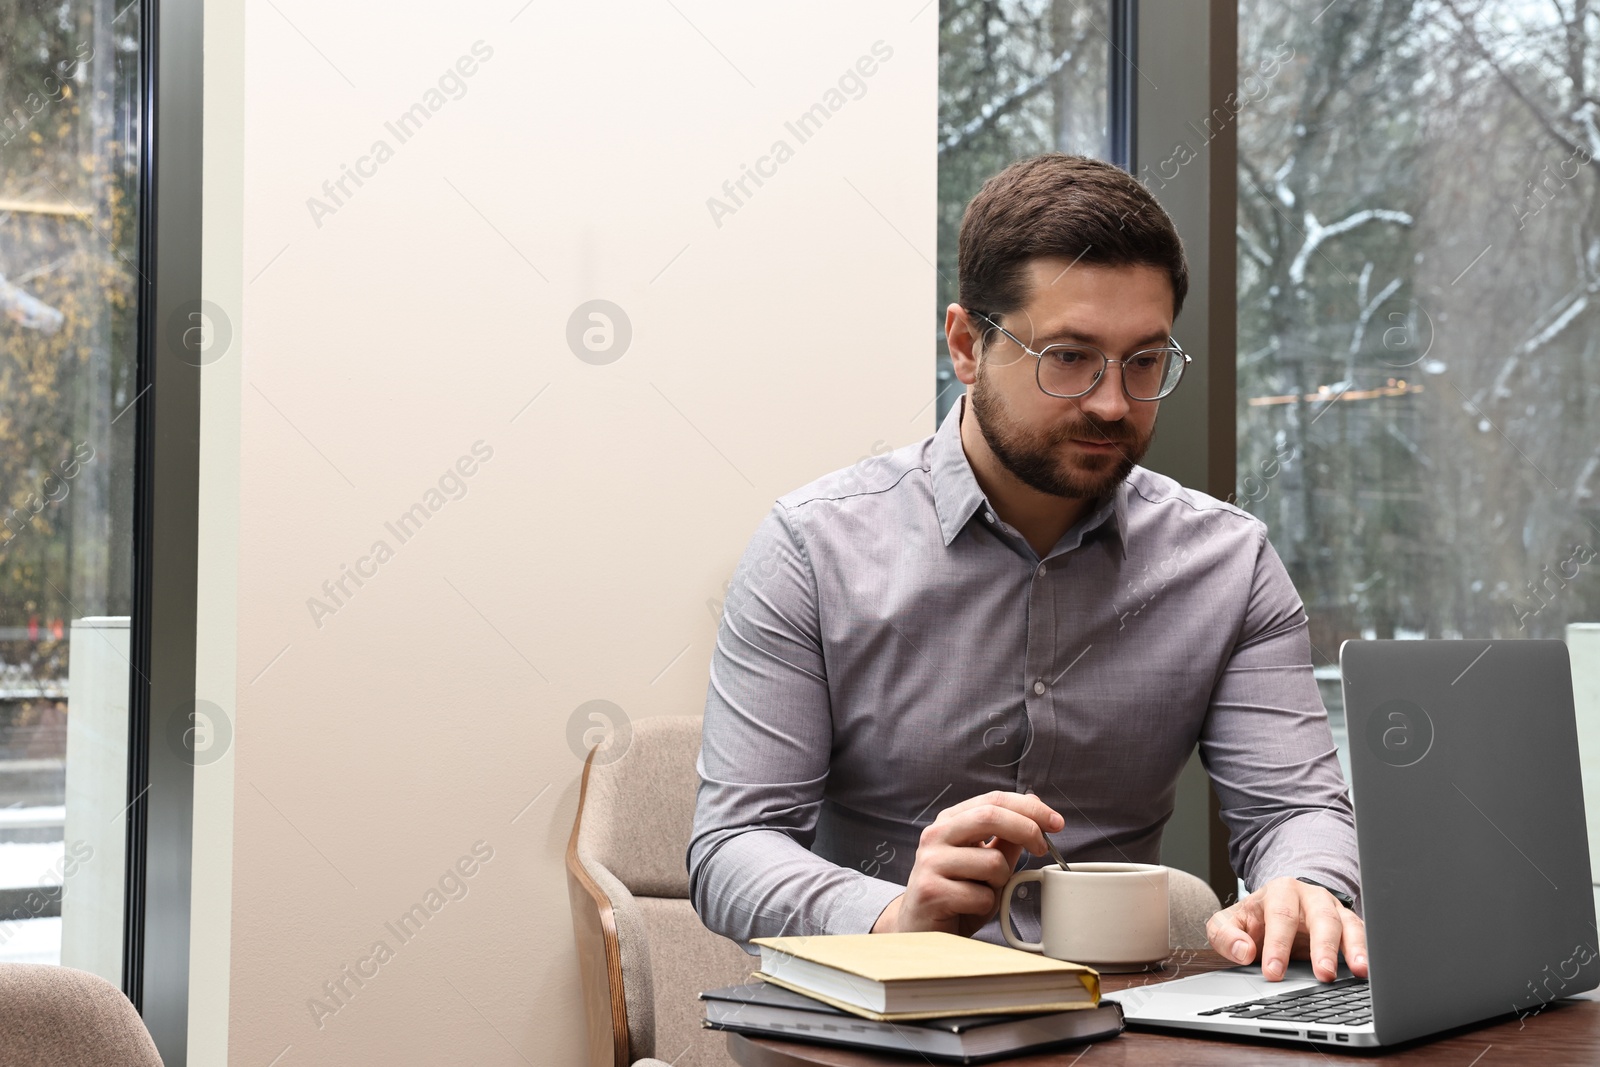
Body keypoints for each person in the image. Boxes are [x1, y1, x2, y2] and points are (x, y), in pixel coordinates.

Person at [687, 153, 1365, 984]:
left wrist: (1306, 883)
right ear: (968, 344)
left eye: (1145, 361)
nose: (1113, 403)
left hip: (1122, 1033)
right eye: (1070, 357)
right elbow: (731, 846)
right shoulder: (812, 548)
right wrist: (891, 916)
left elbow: (1295, 809)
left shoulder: (1228, 563)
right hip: (876, 1028)